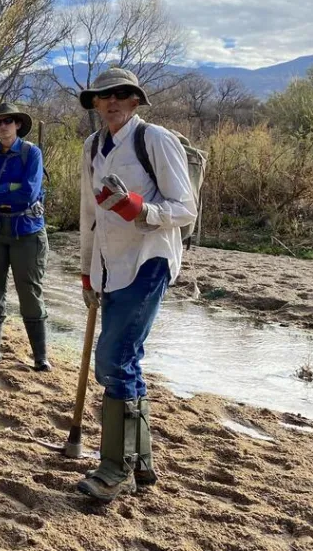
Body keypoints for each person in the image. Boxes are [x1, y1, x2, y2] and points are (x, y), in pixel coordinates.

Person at [76, 67, 197, 502]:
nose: (111, 102)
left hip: (150, 260)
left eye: (120, 95)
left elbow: (185, 209)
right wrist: (88, 268)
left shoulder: (156, 140)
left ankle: (115, 469)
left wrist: (138, 208)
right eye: (103, 97)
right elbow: (89, 213)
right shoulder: (92, 147)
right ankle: (140, 461)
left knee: (112, 358)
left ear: (134, 101)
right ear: (95, 104)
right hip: (110, 264)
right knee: (127, 358)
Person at [0, 103, 50, 372]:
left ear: (17, 125)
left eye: (8, 121)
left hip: (27, 229)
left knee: (29, 291)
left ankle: (40, 357)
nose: (3, 125)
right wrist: (9, 187)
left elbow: (28, 193)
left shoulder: (32, 154)